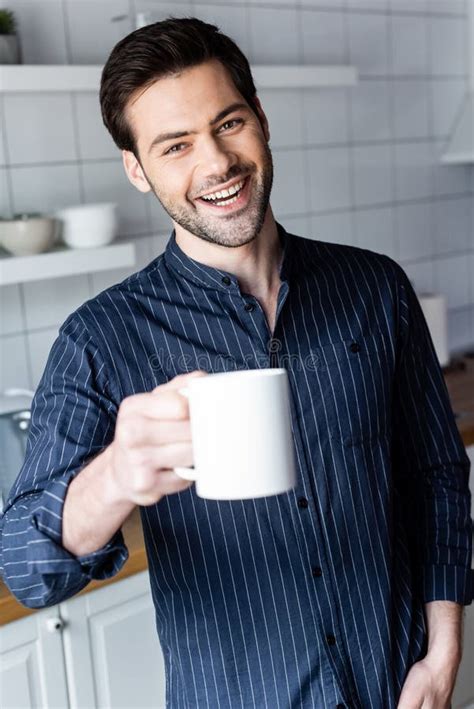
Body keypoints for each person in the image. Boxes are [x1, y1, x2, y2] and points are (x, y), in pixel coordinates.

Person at [0, 17, 471, 709]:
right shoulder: (100, 338)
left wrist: (443, 650)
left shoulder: (376, 289)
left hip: (398, 686)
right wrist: (115, 477)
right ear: (137, 168)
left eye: (229, 123)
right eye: (176, 145)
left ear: (262, 120)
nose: (216, 163)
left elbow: (436, 476)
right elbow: (25, 569)